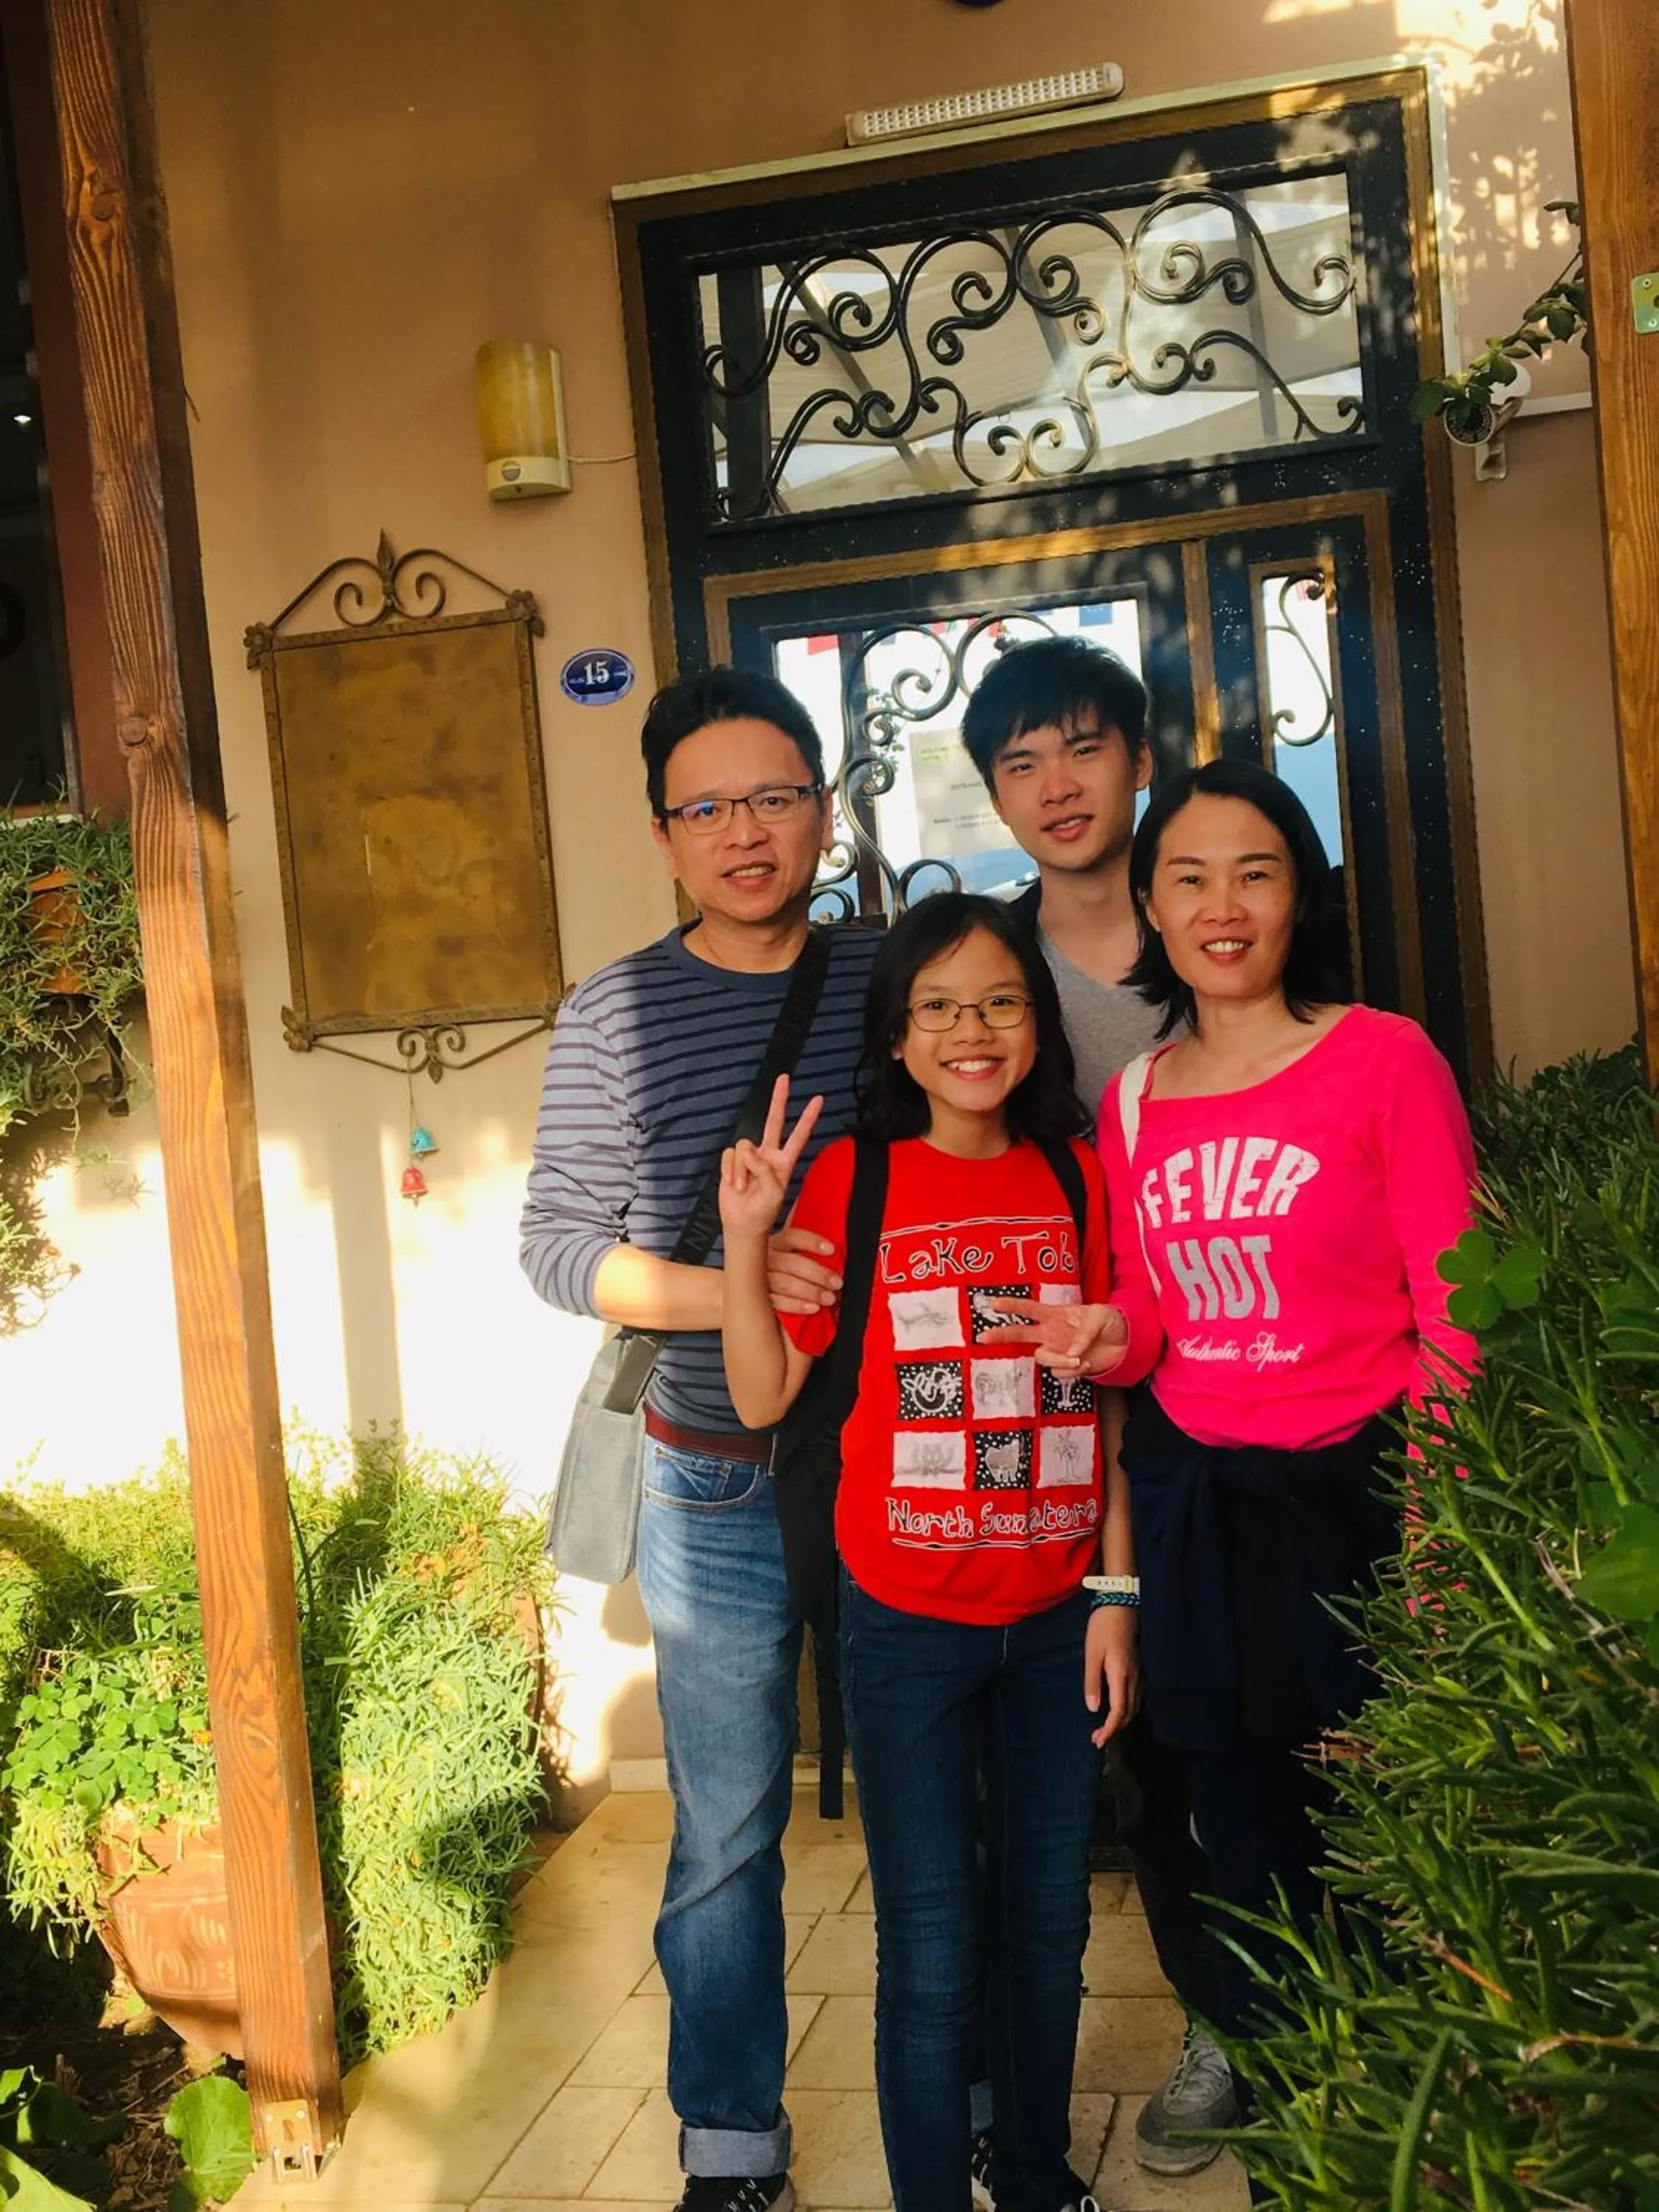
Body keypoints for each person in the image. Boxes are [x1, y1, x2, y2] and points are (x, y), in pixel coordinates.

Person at [717, 891, 1160, 2212]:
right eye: (938, 1008)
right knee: (927, 1946)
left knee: (1048, 1928)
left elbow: (1110, 1404)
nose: (972, 1031)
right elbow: (758, 1399)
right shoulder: (852, 1180)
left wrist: (1116, 1591)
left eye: (1000, 1001)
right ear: (899, 1038)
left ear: (1036, 1023)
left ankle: (1031, 2178)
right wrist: (747, 1243)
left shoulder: (1077, 1169)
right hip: (903, 1624)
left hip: (1055, 1620)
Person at [520, 666, 880, 2212]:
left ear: (823, 808)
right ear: (666, 834)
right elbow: (557, 1254)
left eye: (776, 797)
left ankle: (980, 2101)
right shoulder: (613, 1008)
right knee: (725, 1831)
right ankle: (733, 2153)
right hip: (714, 1469)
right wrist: (733, 1277)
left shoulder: (898, 972)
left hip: (891, 1457)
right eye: (710, 807)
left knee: (947, 1807)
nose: (748, 832)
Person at [1096, 758, 1478, 2186]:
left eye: (1253, 871)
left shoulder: (1385, 1058)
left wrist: (1439, 1536)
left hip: (1358, 1501)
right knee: (1240, 1830)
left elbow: (1455, 1320)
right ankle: (1303, 2131)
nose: (1221, 904)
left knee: (1381, 1838)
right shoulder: (1135, 1101)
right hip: (1206, 1513)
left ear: (1300, 892)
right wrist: (1102, 1330)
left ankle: (1415, 2119)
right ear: (1149, 901)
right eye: (1187, 876)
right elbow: (1151, 1317)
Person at [958, 634, 1236, 2176]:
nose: (1056, 787)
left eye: (1081, 748)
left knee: (1209, 1735)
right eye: (1020, 763)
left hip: (1215, 1408)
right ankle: (1023, 2075)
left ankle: (1236, 2026)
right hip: (1042, 1411)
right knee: (1072, 1749)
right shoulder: (982, 959)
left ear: (1137, 754)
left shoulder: (1210, 924)